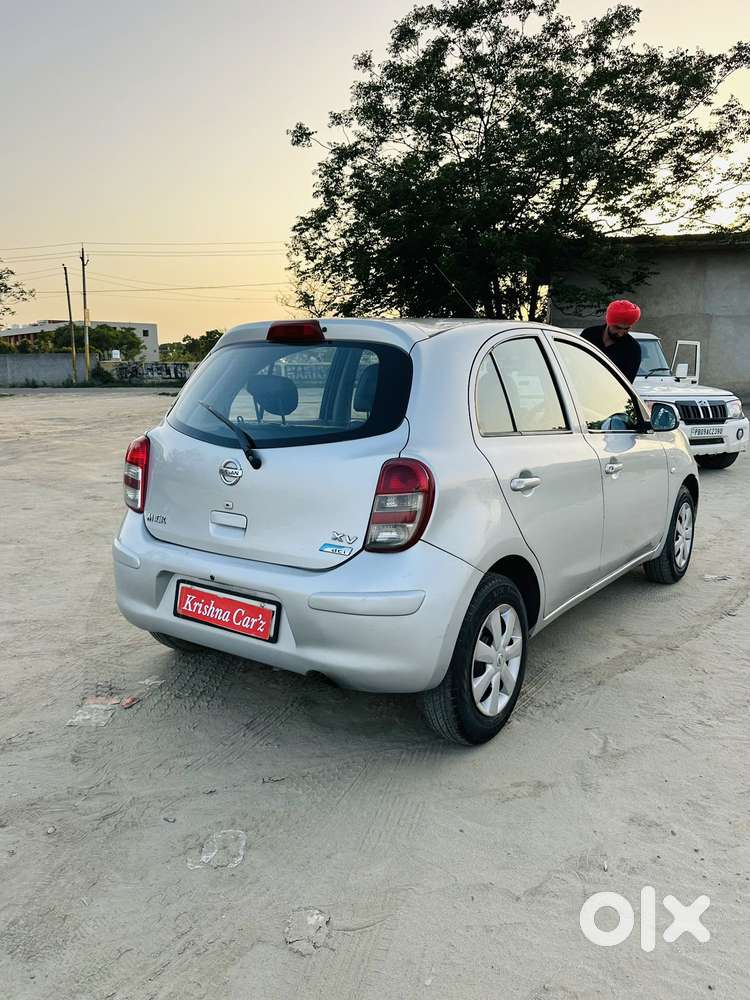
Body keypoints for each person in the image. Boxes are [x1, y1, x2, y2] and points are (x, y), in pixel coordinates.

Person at [581, 300, 642, 382]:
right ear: (609, 322)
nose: (621, 333)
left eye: (626, 329)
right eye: (617, 328)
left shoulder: (633, 349)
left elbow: (626, 382)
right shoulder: (589, 335)